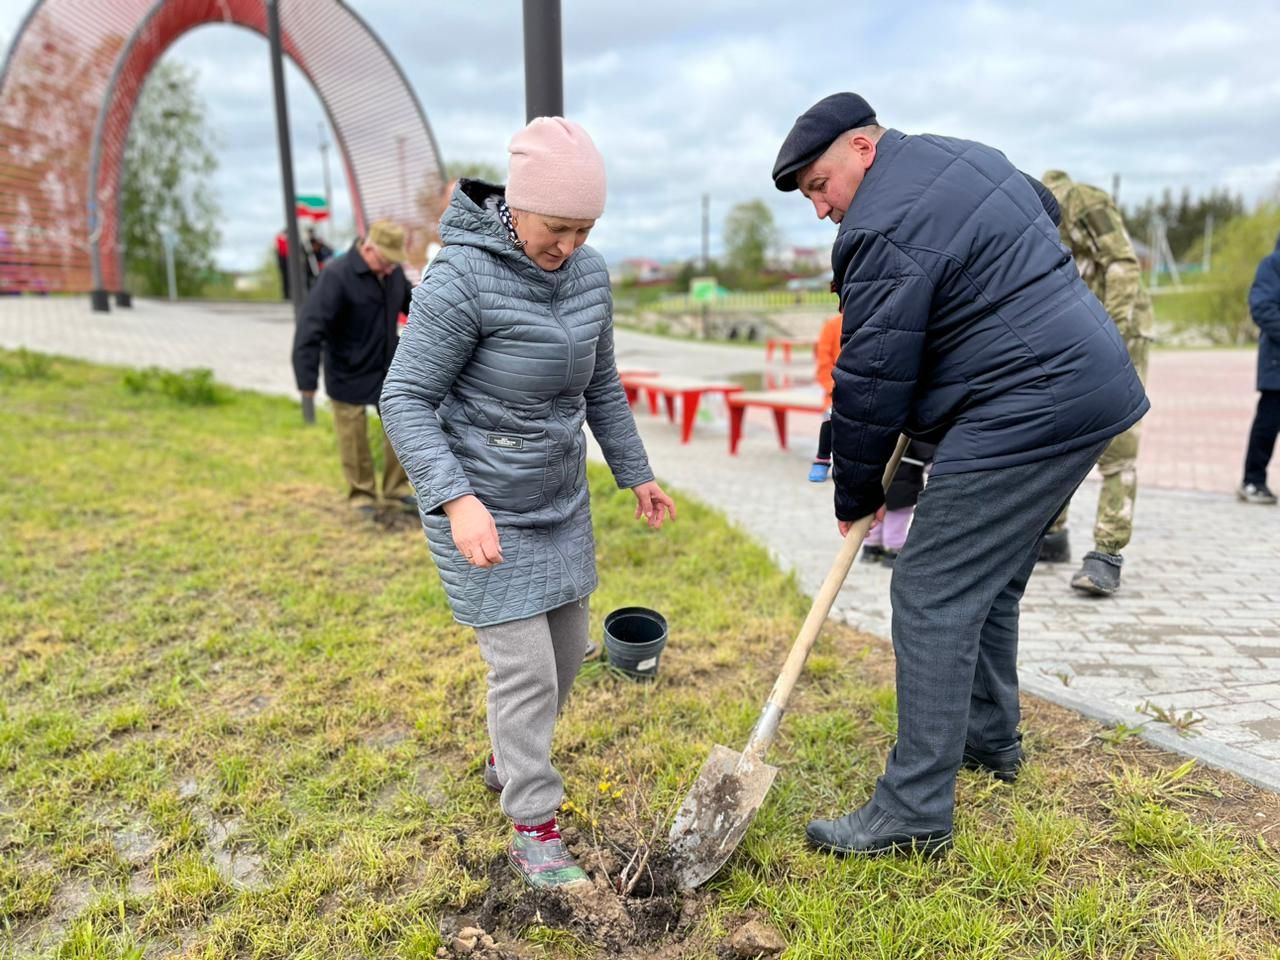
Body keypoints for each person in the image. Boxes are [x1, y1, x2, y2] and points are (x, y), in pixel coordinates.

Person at [772, 93, 1148, 858]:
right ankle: (988, 740)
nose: (820, 209)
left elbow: (871, 381)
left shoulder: (878, 227)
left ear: (863, 150)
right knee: (993, 578)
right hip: (1094, 387)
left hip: (1028, 409)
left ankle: (913, 810)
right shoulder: (964, 156)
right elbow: (1039, 211)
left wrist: (856, 496)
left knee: (930, 590)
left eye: (819, 185)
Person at [379, 118, 676, 889]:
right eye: (558, 226)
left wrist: (635, 471)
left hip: (557, 499)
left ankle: (506, 755)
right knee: (525, 673)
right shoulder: (461, 278)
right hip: (480, 506)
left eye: (586, 229)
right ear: (517, 205)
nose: (570, 245)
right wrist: (455, 501)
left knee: (569, 652)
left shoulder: (589, 275)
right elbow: (404, 397)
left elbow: (601, 383)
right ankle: (533, 825)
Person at [1036, 171, 1154, 595]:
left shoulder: (1084, 202)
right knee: (1064, 430)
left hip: (1120, 331)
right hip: (1081, 335)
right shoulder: (1038, 220)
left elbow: (1123, 265)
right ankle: (1052, 533)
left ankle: (1107, 553)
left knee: (1118, 445)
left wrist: (1113, 335)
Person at [291, 220, 415, 516]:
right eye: (385, 262)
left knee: (403, 426)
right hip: (346, 369)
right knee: (353, 434)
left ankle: (396, 490)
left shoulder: (393, 272)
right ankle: (362, 494)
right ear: (368, 248)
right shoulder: (336, 275)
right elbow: (310, 328)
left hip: (387, 367)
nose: (389, 269)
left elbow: (416, 307)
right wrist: (306, 379)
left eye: (394, 263)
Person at [1239, 233, 1280, 504]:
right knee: (1268, 422)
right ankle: (1252, 481)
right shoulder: (1273, 265)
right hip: (1278, 363)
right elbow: (1262, 307)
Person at [809, 307, 842, 482]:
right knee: (830, 415)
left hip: (863, 387)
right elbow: (824, 361)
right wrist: (832, 385)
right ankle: (822, 458)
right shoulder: (832, 326)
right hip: (836, 387)